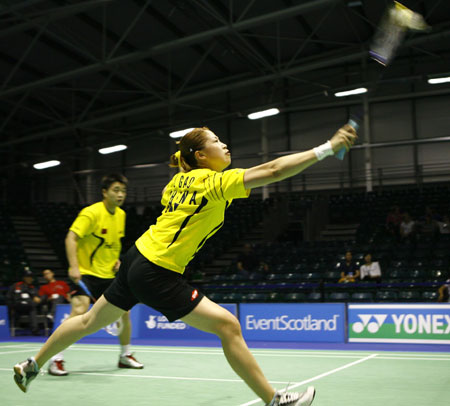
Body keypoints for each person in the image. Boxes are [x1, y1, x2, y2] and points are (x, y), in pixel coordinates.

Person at [13, 125, 357, 405]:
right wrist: (327, 147)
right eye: (217, 142)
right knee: (228, 326)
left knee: (89, 320)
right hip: (157, 270)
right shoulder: (212, 183)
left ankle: (33, 364)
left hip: (135, 258)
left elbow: (191, 178)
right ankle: (274, 400)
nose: (225, 145)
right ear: (201, 156)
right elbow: (273, 170)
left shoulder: (177, 182)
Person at [46, 174, 143, 377]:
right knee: (79, 311)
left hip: (108, 275)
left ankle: (125, 355)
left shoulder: (121, 215)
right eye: (116, 190)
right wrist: (74, 267)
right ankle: (56, 359)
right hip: (86, 274)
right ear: (104, 192)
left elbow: (113, 242)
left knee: (124, 313)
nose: (120, 195)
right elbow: (71, 238)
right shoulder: (90, 213)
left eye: (123, 191)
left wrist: (116, 260)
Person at [6, 269, 42, 335]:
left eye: (31, 277)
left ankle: (35, 330)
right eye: (28, 277)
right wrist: (11, 307)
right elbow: (9, 297)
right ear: (24, 277)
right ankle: (11, 328)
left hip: (29, 307)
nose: (30, 279)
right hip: (17, 307)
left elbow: (38, 299)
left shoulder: (33, 288)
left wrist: (37, 299)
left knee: (32, 309)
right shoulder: (16, 285)